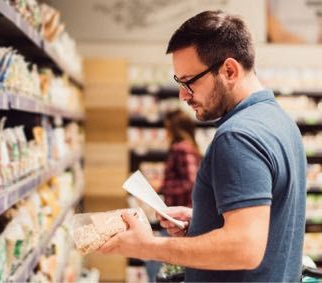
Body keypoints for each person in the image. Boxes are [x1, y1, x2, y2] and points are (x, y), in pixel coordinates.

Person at [99, 10, 306, 282]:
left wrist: (146, 246)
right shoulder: (281, 122)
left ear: (229, 70)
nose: (183, 95)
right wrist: (203, 221)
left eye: (189, 82)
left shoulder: (237, 136)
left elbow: (244, 248)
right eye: (179, 82)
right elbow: (266, 222)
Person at [145, 110, 202, 282]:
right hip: (180, 217)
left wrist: (162, 186)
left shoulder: (181, 148)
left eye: (168, 127)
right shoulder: (189, 146)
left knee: (157, 263)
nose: (166, 131)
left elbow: (191, 183)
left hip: (178, 217)